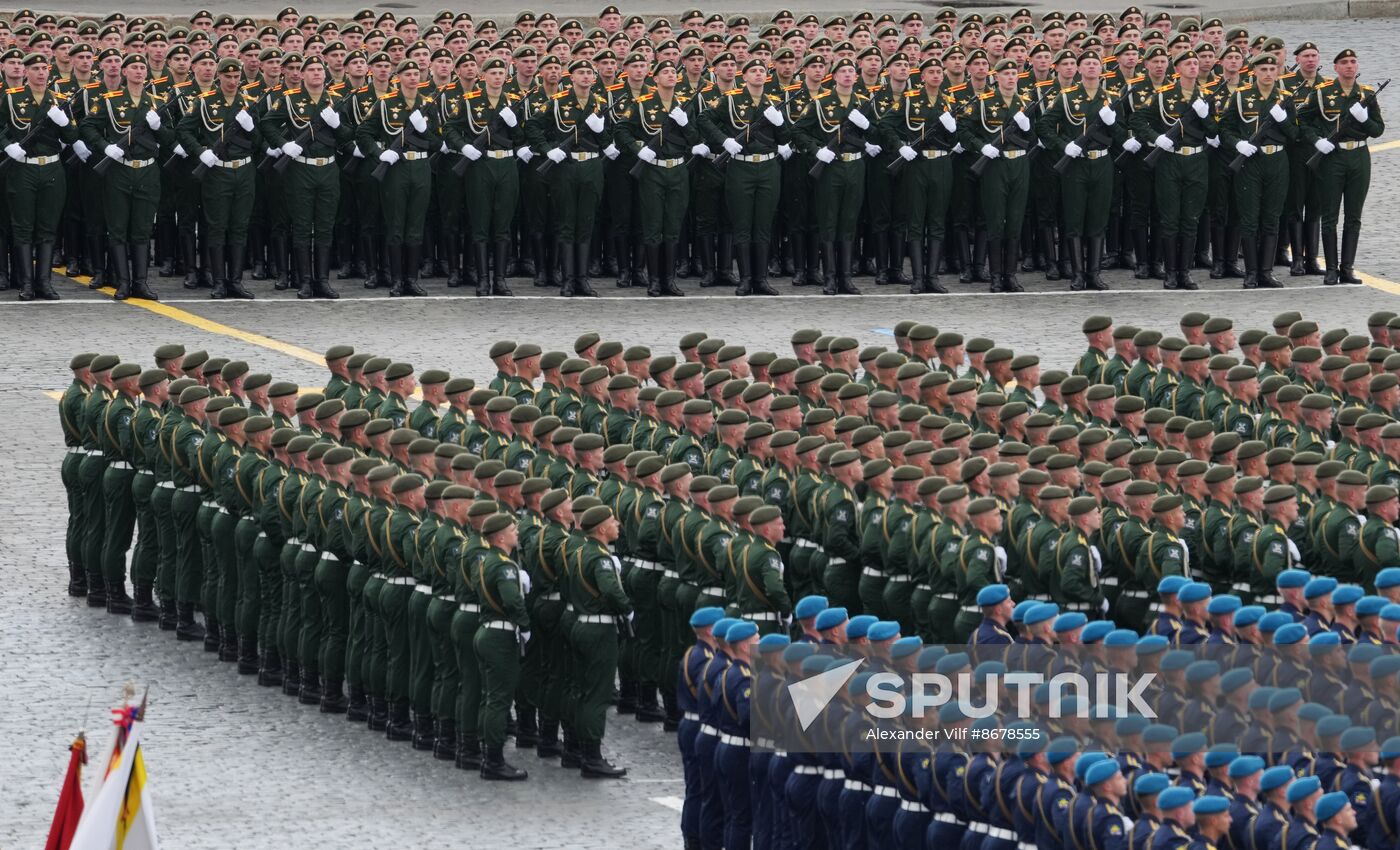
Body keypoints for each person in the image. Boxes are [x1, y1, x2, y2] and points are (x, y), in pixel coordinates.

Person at [1300, 48, 1385, 286]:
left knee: (1354, 216)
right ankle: (1331, 268)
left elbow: (1378, 130)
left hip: (1358, 156)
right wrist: (1317, 140)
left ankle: (1347, 267)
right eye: (1344, 62)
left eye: (1353, 62)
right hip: (1332, 158)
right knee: (1329, 216)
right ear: (1335, 67)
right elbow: (1303, 120)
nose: (1349, 66)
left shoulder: (1366, 94)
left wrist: (1364, 119)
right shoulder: (1322, 92)